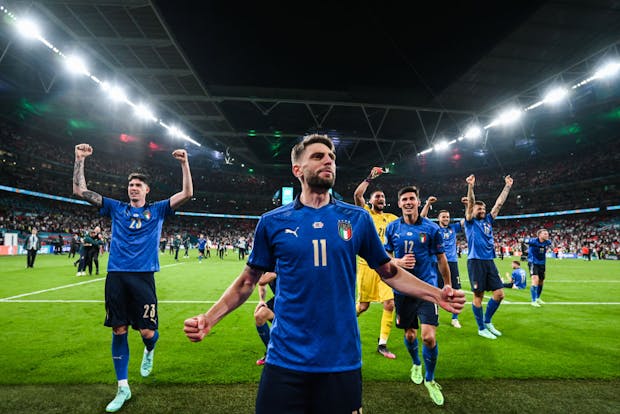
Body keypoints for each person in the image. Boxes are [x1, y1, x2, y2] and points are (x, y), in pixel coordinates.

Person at [183, 134, 465, 414]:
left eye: (331, 157)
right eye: (318, 156)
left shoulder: (357, 218)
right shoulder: (272, 222)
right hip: (284, 358)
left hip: (341, 357)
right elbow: (247, 281)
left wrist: (437, 294)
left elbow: (390, 272)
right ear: (298, 170)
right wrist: (210, 318)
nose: (328, 160)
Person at [72, 143, 193, 413]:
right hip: (116, 275)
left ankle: (150, 349)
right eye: (131, 185)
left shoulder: (159, 210)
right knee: (119, 329)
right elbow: (80, 191)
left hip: (143, 278)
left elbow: (187, 193)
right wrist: (79, 159)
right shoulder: (115, 208)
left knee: (147, 332)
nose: (134, 188)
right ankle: (123, 387)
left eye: (138, 185)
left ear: (147, 190)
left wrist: (184, 163)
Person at [384, 186, 452, 406]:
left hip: (427, 288)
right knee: (410, 335)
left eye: (412, 198)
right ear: (399, 203)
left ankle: (430, 379)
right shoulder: (392, 228)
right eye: (404, 199)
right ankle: (416, 363)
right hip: (402, 290)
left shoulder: (431, 229)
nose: (408, 202)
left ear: (418, 201)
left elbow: (441, 259)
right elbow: (385, 256)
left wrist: (448, 285)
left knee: (428, 337)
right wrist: (398, 262)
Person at [353, 166, 399, 359]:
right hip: (366, 266)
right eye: (377, 197)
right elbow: (357, 195)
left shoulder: (392, 219)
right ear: (371, 201)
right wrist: (370, 177)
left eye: (383, 197)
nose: (381, 199)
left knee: (389, 303)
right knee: (363, 306)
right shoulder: (365, 214)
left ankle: (382, 344)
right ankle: (336, 324)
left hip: (385, 265)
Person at [464, 174, 513, 340]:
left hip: (489, 261)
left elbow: (499, 204)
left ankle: (487, 321)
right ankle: (480, 328)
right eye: (479, 209)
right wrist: (471, 186)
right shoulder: (470, 221)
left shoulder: (488, 220)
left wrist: (507, 186)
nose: (482, 211)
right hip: (475, 261)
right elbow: (471, 202)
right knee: (478, 296)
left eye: (484, 209)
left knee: (499, 294)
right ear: (473, 211)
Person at [421, 196, 466, 328]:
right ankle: (436, 314)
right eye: (443, 217)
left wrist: (466, 205)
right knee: (436, 290)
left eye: (447, 217)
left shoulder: (453, 228)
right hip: (437, 262)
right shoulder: (434, 227)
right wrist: (428, 203)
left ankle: (455, 318)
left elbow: (467, 219)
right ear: (439, 218)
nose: (445, 219)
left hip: (452, 263)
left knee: (456, 291)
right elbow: (423, 217)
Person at [254, 272, 277, 366]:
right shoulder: (266, 265)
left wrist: (276, 273)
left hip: (297, 301)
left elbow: (261, 280)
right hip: (280, 299)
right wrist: (262, 300)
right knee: (260, 315)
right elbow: (262, 283)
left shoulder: (282, 261)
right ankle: (272, 353)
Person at [525, 229, 552, 307]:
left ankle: (537, 298)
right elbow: (524, 241)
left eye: (547, 234)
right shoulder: (533, 241)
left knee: (541, 281)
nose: (547, 235)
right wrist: (526, 251)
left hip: (542, 263)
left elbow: (548, 244)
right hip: (533, 262)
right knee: (535, 279)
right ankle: (533, 301)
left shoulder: (547, 242)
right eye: (545, 234)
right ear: (540, 235)